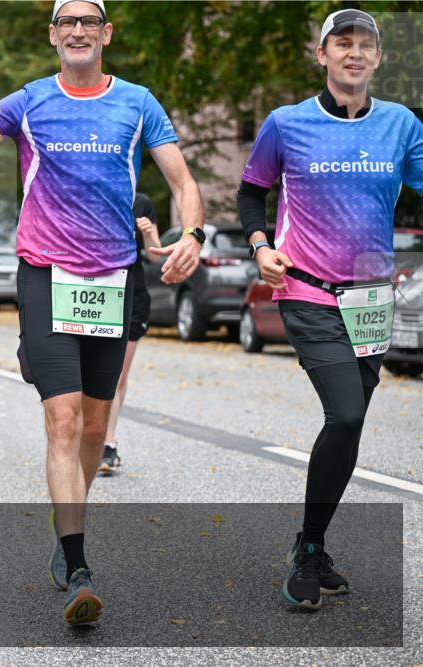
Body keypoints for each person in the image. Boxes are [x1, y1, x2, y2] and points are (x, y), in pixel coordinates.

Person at [0, 0, 203, 625]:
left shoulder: (138, 103)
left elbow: (184, 184)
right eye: (69, 23)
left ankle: (70, 524)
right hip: (46, 275)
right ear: (53, 35)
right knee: (61, 421)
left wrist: (192, 235)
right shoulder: (28, 101)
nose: (80, 31)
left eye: (91, 22)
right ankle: (78, 563)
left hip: (111, 279)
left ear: (106, 34)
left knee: (94, 428)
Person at [237, 8, 422, 610]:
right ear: (322, 55)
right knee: (343, 414)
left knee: (351, 427)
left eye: (365, 44)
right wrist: (262, 247)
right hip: (307, 290)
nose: (354, 53)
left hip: (372, 301)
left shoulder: (400, 124)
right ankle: (311, 550)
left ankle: (310, 545)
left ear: (377, 58)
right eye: (342, 43)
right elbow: (250, 192)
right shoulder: (287, 124)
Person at [99, 192, 163, 473]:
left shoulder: (142, 203)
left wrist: (149, 235)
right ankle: (83, 435)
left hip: (132, 293)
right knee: (87, 370)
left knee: (118, 374)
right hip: (93, 291)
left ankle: (107, 444)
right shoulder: (92, 192)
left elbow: (154, 254)